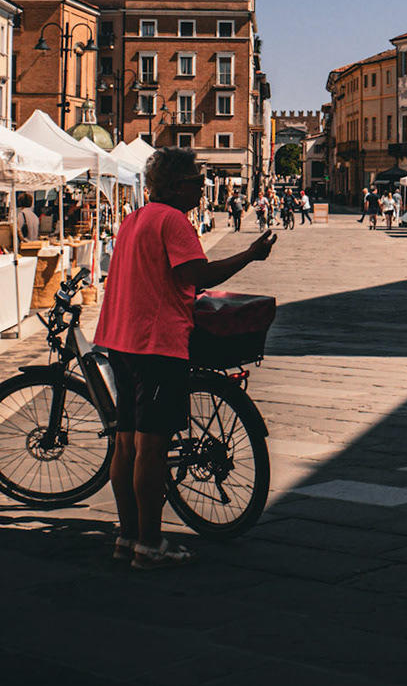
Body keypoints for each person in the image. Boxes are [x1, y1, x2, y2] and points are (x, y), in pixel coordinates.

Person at [95, 147, 277, 569]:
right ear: (177, 185)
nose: (201, 186)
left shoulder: (135, 218)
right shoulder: (173, 221)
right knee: (152, 447)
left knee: (126, 443)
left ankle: (127, 537)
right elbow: (197, 274)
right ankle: (150, 544)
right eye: (197, 180)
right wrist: (250, 254)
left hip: (120, 339)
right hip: (156, 343)